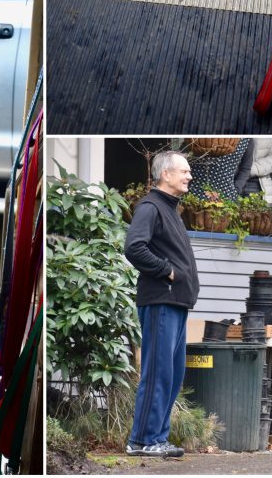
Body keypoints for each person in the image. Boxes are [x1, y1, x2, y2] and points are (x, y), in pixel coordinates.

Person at [123, 150, 200, 459]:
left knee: (172, 374)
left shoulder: (170, 209)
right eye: (184, 171)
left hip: (176, 303)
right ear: (165, 174)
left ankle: (156, 438)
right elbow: (134, 248)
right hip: (161, 301)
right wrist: (167, 271)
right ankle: (143, 440)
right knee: (157, 373)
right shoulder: (151, 207)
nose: (189, 176)